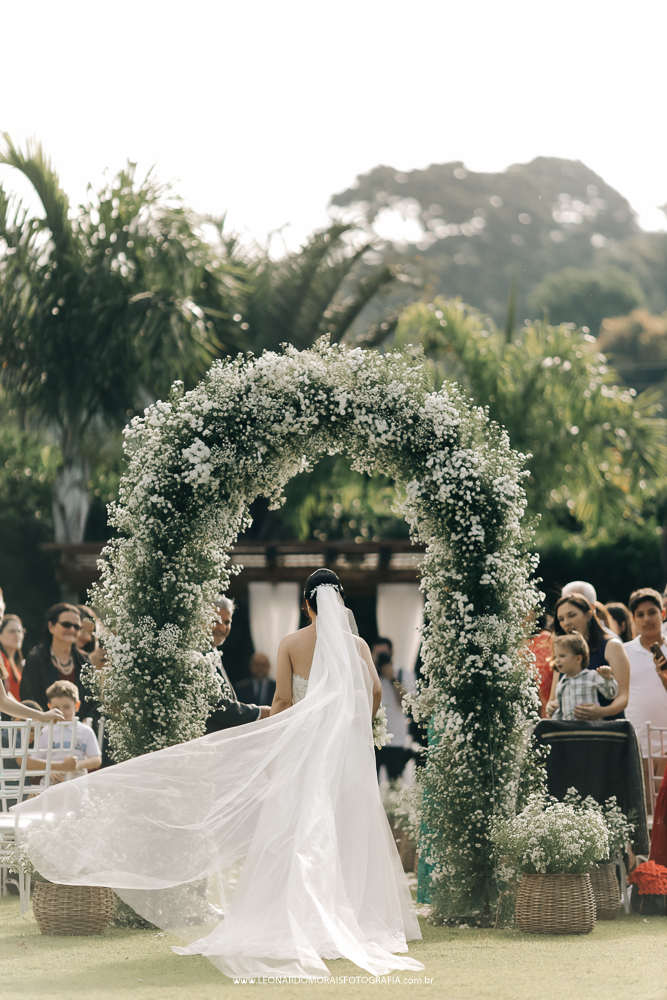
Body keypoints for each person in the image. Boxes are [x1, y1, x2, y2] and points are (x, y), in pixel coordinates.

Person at [13, 570, 424, 980]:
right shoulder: (357, 646)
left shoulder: (291, 643)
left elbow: (282, 701)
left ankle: (299, 914)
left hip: (302, 754)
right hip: (343, 757)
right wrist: (358, 727)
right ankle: (345, 915)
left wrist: (272, 751)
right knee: (343, 830)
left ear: (305, 604)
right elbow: (373, 691)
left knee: (295, 832)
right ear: (339, 601)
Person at [546, 593, 630, 720]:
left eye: (572, 615)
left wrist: (602, 712)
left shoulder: (611, 645)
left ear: (589, 615)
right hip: (571, 730)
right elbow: (553, 700)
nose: (566, 623)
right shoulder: (561, 652)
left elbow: (623, 697)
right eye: (561, 619)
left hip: (607, 728)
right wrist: (551, 708)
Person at [205, 598, 270, 731]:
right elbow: (216, 704)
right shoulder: (201, 653)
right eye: (216, 621)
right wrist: (259, 712)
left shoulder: (213, 650)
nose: (222, 628)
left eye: (227, 622)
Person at [19, 604, 94, 715]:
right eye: (66, 624)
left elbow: (94, 701)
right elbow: (29, 699)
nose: (72, 629)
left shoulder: (85, 661)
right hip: (44, 724)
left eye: (77, 626)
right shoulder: (35, 659)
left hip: (80, 725)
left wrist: (84, 723)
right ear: (51, 626)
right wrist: (45, 719)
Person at [622, 589, 667, 767]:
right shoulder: (623, 652)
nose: (647, 619)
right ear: (633, 619)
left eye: (652, 612)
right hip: (638, 741)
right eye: (640, 615)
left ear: (663, 614)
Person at [550, 632, 618, 720]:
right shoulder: (561, 684)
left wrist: (607, 678)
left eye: (562, 656)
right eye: (556, 657)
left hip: (590, 726)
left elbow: (611, 694)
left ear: (578, 659)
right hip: (569, 727)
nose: (557, 660)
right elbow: (559, 712)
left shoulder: (591, 676)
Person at [375, 650, 410, 780]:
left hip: (396, 739)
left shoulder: (403, 673)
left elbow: (407, 703)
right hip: (373, 739)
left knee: (396, 783)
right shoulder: (368, 673)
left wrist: (392, 679)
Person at [0, 614, 25, 701]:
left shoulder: (19, 663)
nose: (17, 635)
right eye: (12, 631)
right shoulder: (1, 659)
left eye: (20, 631)